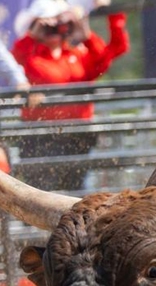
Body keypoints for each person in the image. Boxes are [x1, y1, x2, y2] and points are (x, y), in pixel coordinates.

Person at [11, 0, 129, 190]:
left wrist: (86, 33)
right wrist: (32, 36)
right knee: (40, 191)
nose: (54, 29)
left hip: (78, 135)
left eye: (59, 24)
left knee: (78, 191)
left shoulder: (79, 54)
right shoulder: (28, 55)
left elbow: (113, 51)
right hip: (39, 137)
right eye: (46, 25)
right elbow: (10, 64)